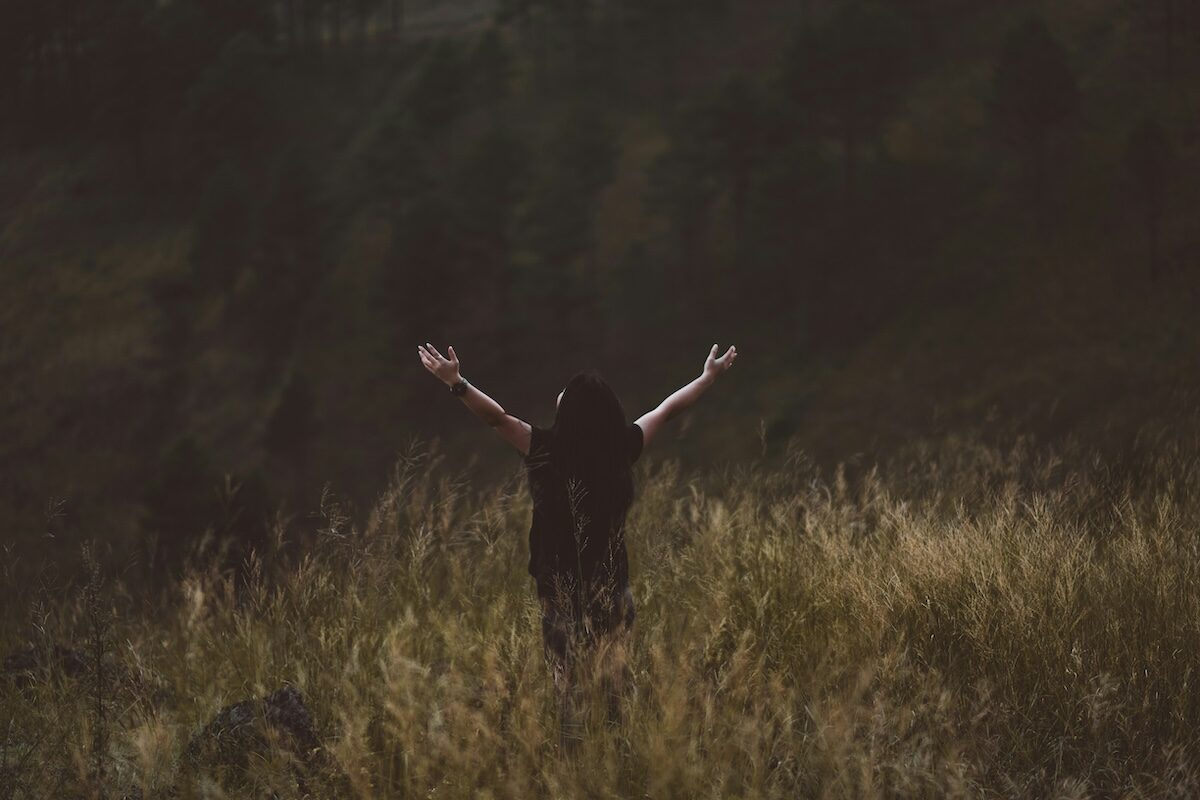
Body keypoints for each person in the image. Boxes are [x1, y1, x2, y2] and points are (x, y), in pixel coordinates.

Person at [417, 341, 738, 751]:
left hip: (558, 592)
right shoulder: (623, 449)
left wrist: (457, 383)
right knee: (613, 689)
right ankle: (617, 761)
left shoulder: (543, 449)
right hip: (613, 588)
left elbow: (495, 417)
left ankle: (575, 767)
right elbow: (667, 410)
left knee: (568, 692)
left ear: (567, 410)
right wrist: (707, 378)